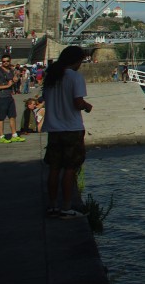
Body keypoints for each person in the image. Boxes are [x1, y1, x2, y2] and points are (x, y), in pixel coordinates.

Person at [42, 45, 92, 219]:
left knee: (54, 168)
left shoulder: (51, 77)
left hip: (53, 129)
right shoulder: (75, 77)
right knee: (70, 168)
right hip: (71, 128)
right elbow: (77, 103)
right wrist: (87, 106)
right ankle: (66, 207)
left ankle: (52, 205)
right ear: (76, 61)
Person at [0, 54, 25, 143]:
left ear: (10, 61)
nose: (5, 63)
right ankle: (1, 137)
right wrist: (7, 85)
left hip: (9, 96)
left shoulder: (11, 71)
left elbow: (12, 81)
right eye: (4, 61)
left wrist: (15, 80)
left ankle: (14, 135)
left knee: (12, 116)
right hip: (2, 97)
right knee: (1, 117)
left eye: (7, 61)